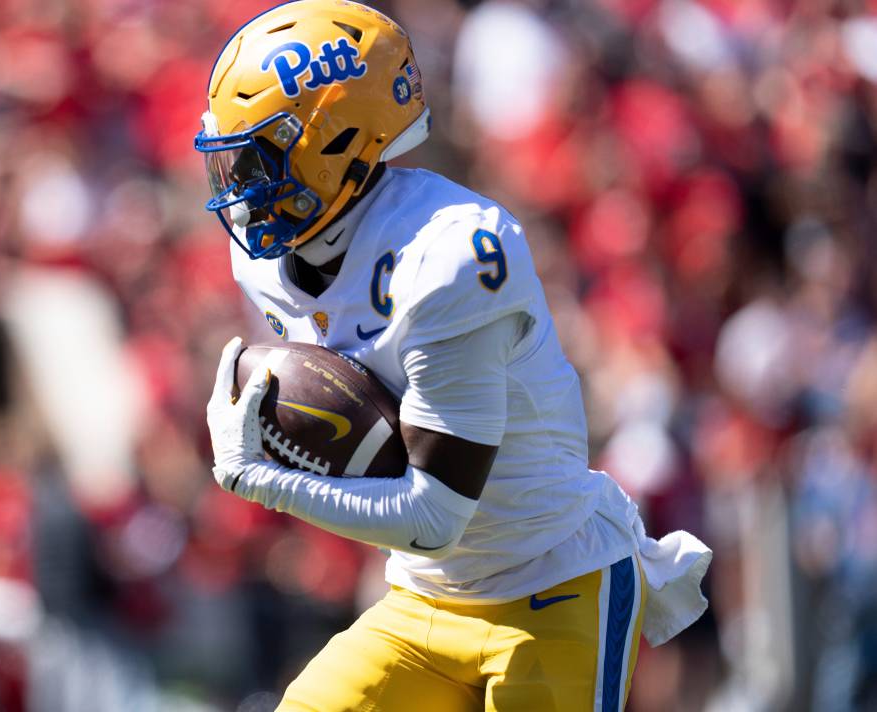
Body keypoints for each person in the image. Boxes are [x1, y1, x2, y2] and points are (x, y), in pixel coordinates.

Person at [195, 2, 711, 709]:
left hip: (551, 582)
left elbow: (435, 516)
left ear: (334, 143)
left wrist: (265, 480)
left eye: (258, 157)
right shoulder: (262, 261)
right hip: (425, 597)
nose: (238, 186)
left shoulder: (450, 256)